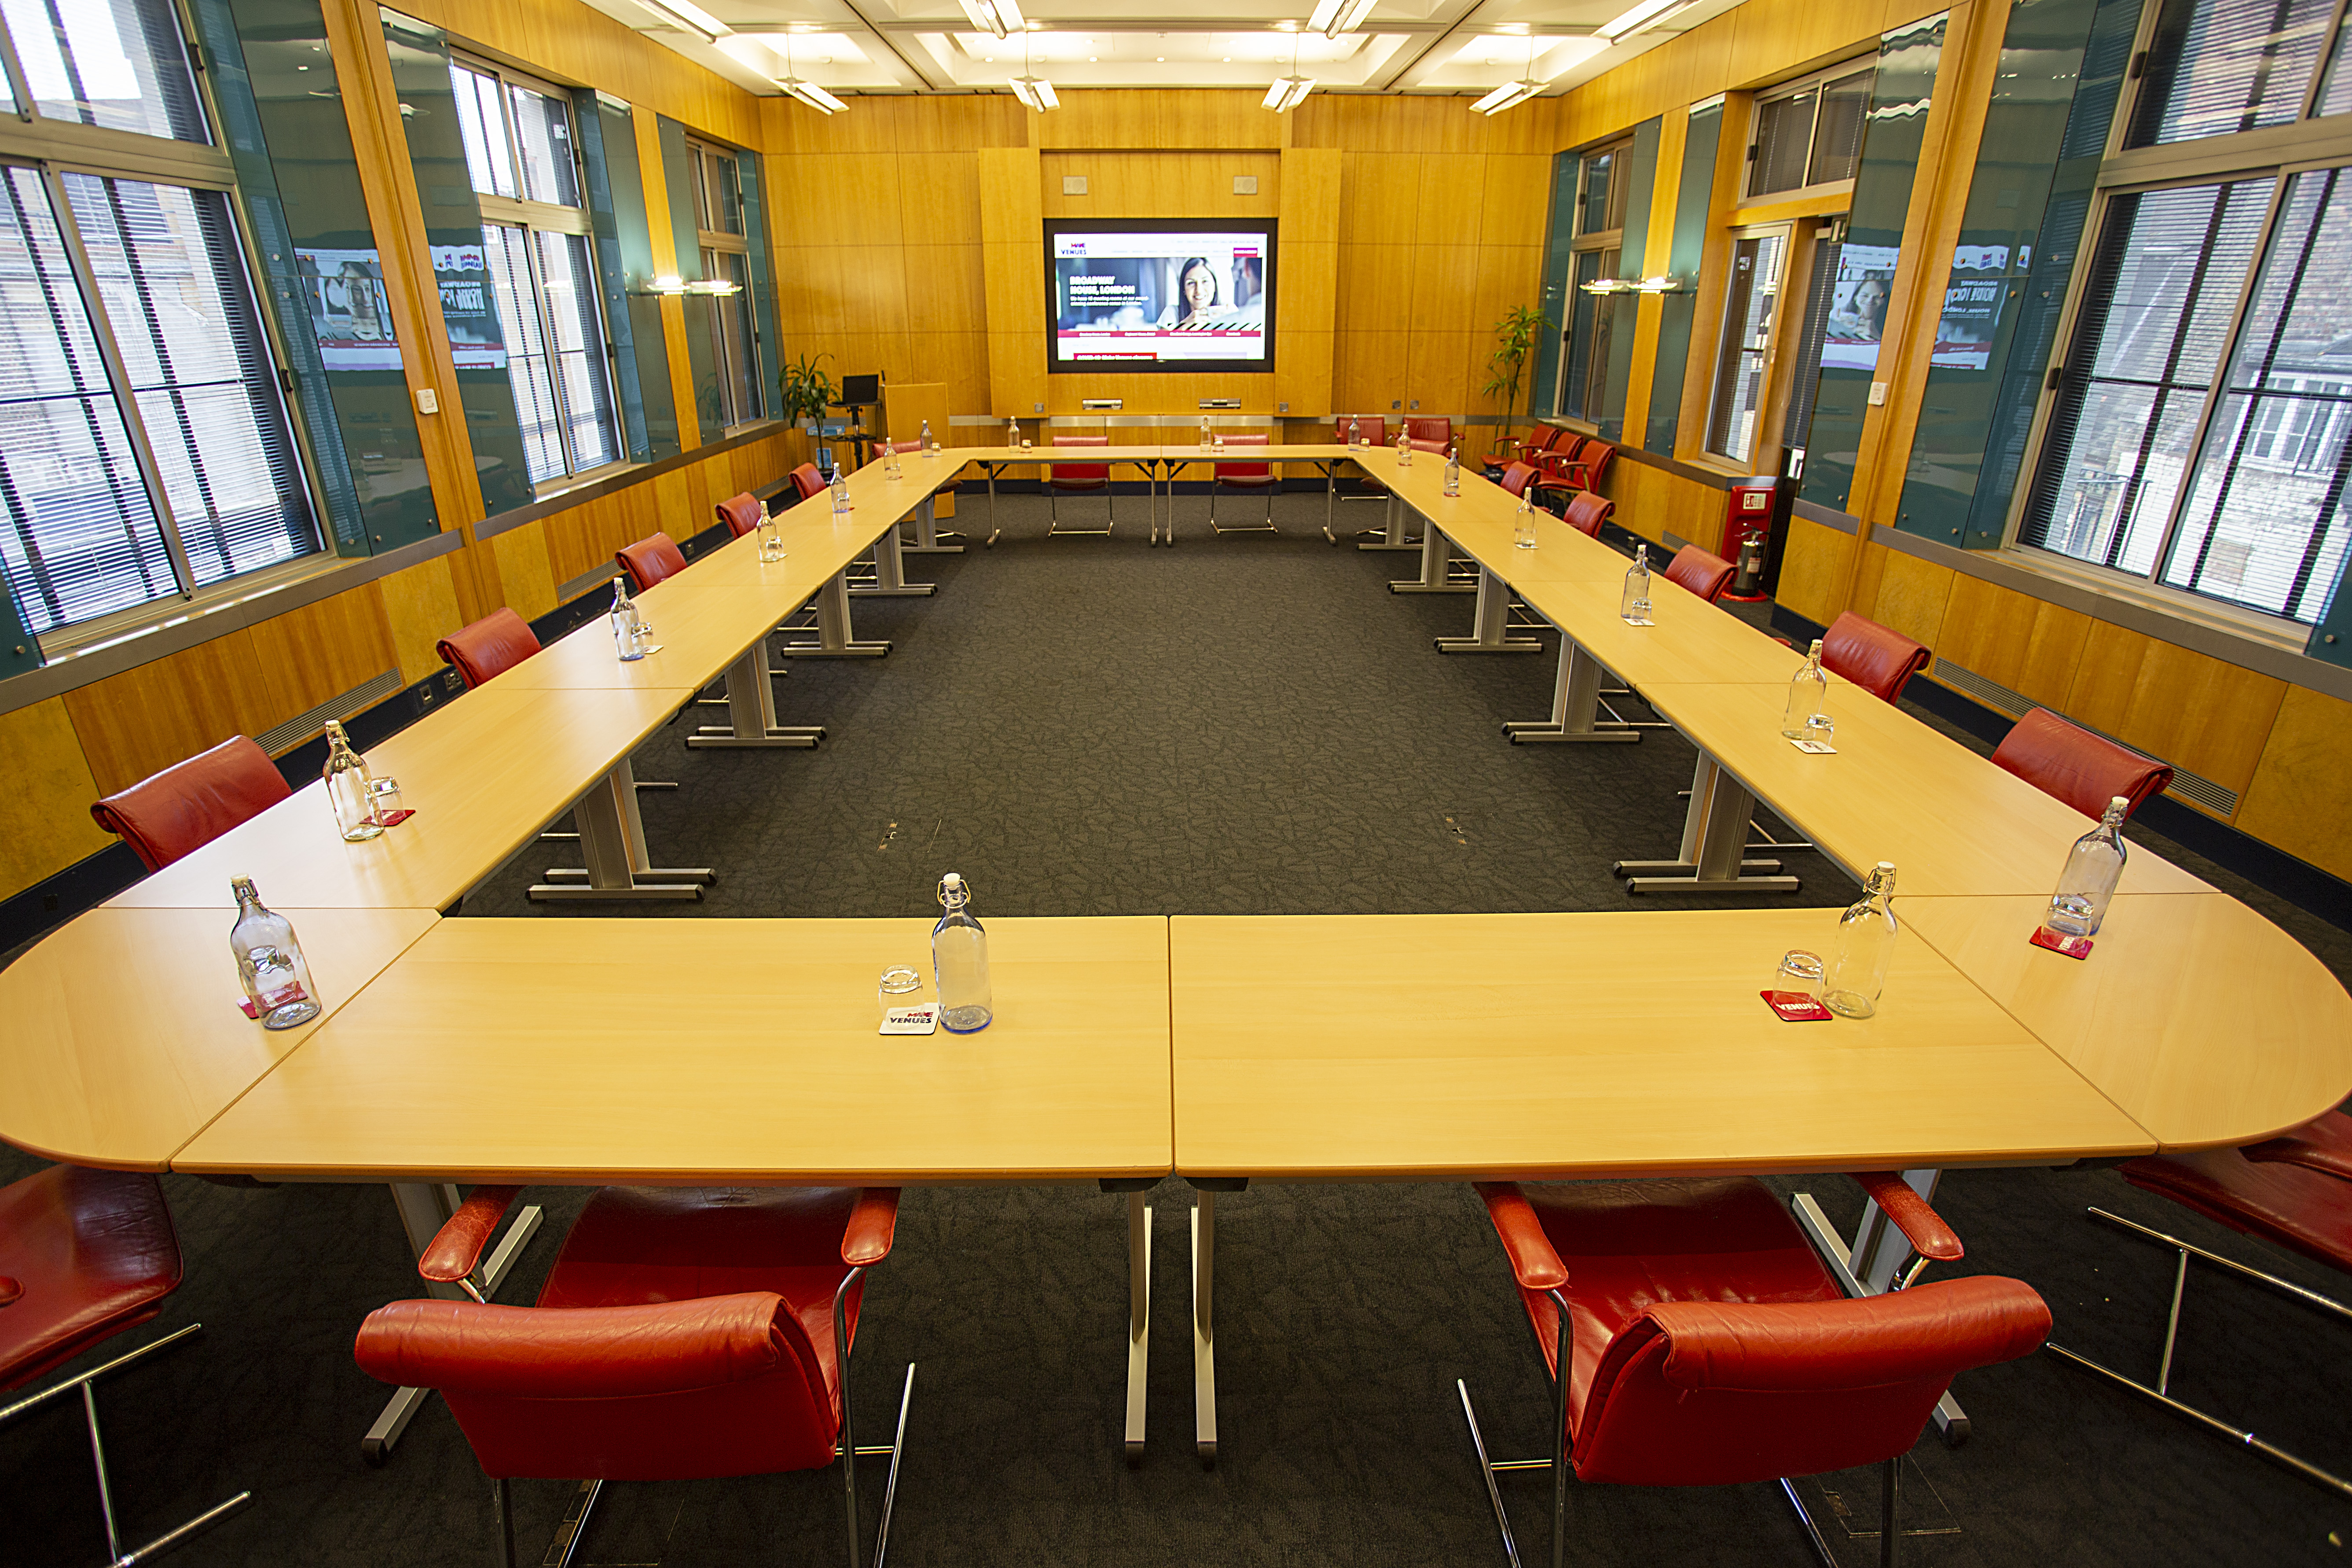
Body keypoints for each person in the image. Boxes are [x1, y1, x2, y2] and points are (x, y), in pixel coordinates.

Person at [1160, 257, 1222, 328]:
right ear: (1184, 289)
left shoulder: (1228, 313)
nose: (1199, 291)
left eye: (1205, 281)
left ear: (1215, 286)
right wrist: (1184, 327)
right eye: (1191, 283)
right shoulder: (1172, 313)